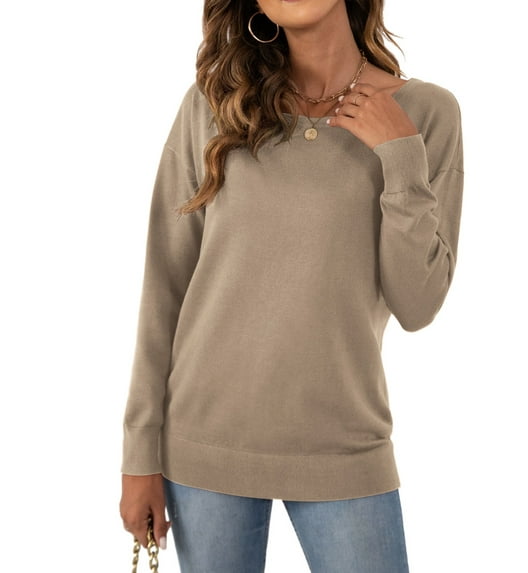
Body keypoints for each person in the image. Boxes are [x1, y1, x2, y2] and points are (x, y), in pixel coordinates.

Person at [119, 0, 464, 571]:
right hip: (204, 447)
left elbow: (418, 303)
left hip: (344, 445)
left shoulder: (425, 112)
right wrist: (139, 453)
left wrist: (401, 155)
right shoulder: (213, 105)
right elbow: (164, 288)